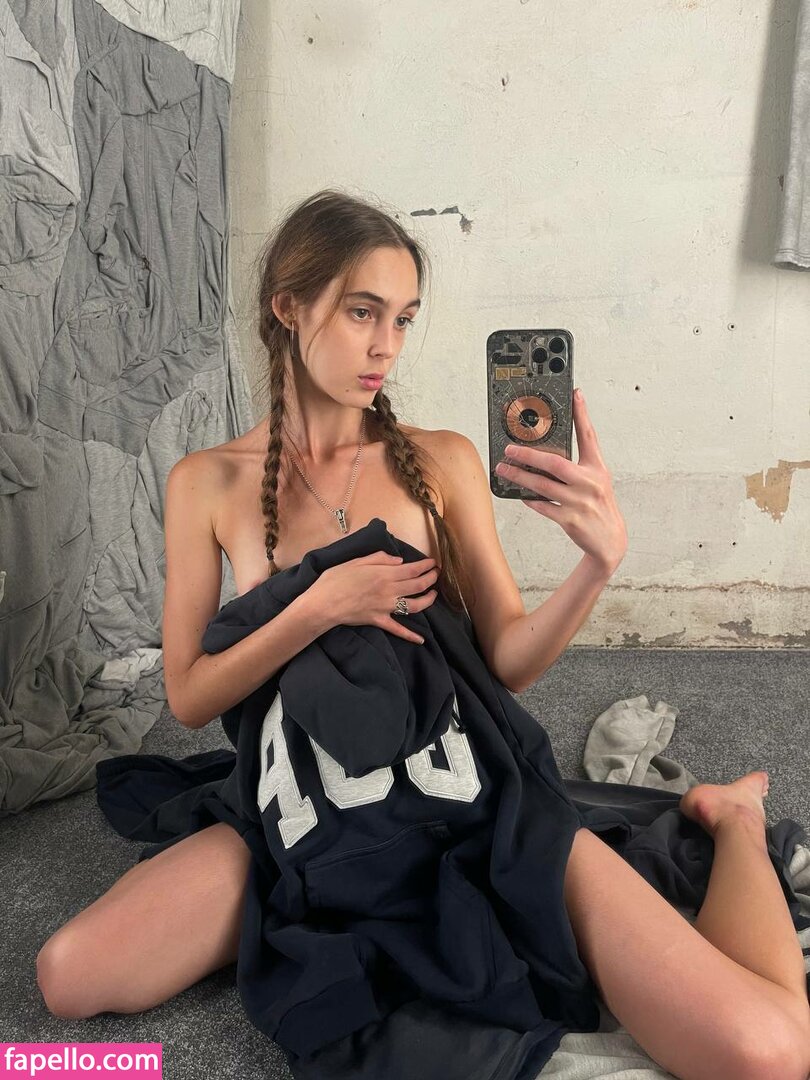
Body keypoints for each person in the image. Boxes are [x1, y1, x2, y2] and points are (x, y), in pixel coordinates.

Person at [36, 190, 810, 1080]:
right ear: (289, 307)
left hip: (473, 798)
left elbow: (508, 661)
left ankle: (732, 818)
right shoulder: (206, 481)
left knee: (768, 1053)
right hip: (301, 806)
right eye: (363, 312)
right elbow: (188, 694)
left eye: (403, 318)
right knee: (68, 975)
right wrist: (317, 607)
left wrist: (598, 565)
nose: (386, 346)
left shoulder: (440, 460)